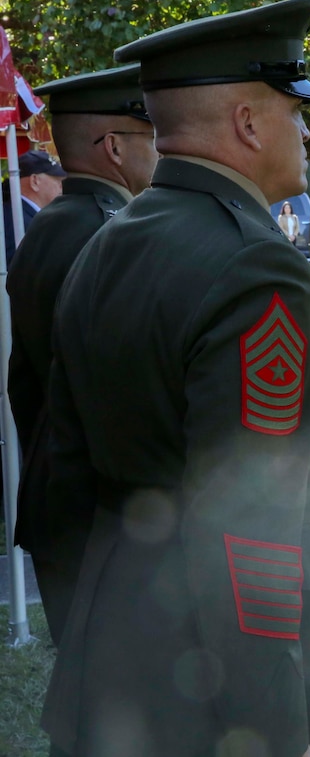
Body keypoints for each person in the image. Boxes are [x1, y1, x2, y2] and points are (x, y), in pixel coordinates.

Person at [41, 0, 310, 756]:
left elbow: (63, 479)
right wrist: (278, 728)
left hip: (117, 641)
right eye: (296, 110)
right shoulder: (259, 268)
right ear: (249, 124)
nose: (308, 131)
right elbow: (248, 534)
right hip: (216, 684)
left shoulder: (106, 240)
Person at [6, 64, 157, 647]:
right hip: (105, 512)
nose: (163, 151)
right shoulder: (112, 235)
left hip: (59, 494)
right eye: (150, 138)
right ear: (115, 148)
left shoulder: (49, 225)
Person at [2, 150, 67, 261]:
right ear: (35, 181)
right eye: (57, 180)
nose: (61, 186)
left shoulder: (22, 215)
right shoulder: (15, 220)